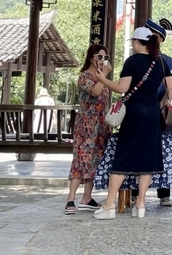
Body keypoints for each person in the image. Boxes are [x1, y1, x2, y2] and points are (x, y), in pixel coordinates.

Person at [92, 27, 172, 220]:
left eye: (133, 42)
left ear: (138, 42)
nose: (132, 45)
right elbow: (171, 87)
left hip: (134, 113)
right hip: (153, 115)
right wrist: (160, 104)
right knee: (148, 159)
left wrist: (103, 79)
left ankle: (109, 204)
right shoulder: (161, 62)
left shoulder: (132, 61)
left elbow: (122, 88)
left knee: (123, 156)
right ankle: (141, 205)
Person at [65, 44, 112, 215]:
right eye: (100, 57)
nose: (102, 61)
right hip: (86, 125)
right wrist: (104, 75)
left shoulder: (103, 78)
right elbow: (94, 92)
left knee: (95, 160)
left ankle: (86, 197)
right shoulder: (85, 76)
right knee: (80, 160)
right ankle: (70, 199)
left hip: (101, 125)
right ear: (91, 57)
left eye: (105, 57)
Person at [144, 18, 172, 206]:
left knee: (163, 152)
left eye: (153, 36)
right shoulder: (135, 58)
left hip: (158, 111)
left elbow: (171, 88)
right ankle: (135, 193)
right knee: (141, 151)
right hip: (142, 111)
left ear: (159, 39)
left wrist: (162, 103)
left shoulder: (168, 61)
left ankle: (164, 193)